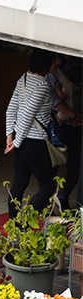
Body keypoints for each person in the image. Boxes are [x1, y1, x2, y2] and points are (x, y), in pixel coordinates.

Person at [5, 48, 58, 218]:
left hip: (21, 142)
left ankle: (15, 224)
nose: (57, 63)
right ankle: (27, 221)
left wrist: (10, 136)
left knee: (19, 184)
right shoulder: (42, 85)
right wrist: (15, 142)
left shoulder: (24, 78)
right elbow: (27, 115)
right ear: (46, 62)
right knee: (48, 186)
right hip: (35, 142)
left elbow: (11, 109)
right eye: (54, 60)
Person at [46, 56, 83, 210]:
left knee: (75, 167)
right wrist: (74, 116)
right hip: (59, 124)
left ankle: (63, 195)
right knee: (52, 164)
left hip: (75, 125)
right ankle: (47, 202)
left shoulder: (73, 67)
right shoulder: (51, 73)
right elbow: (55, 101)